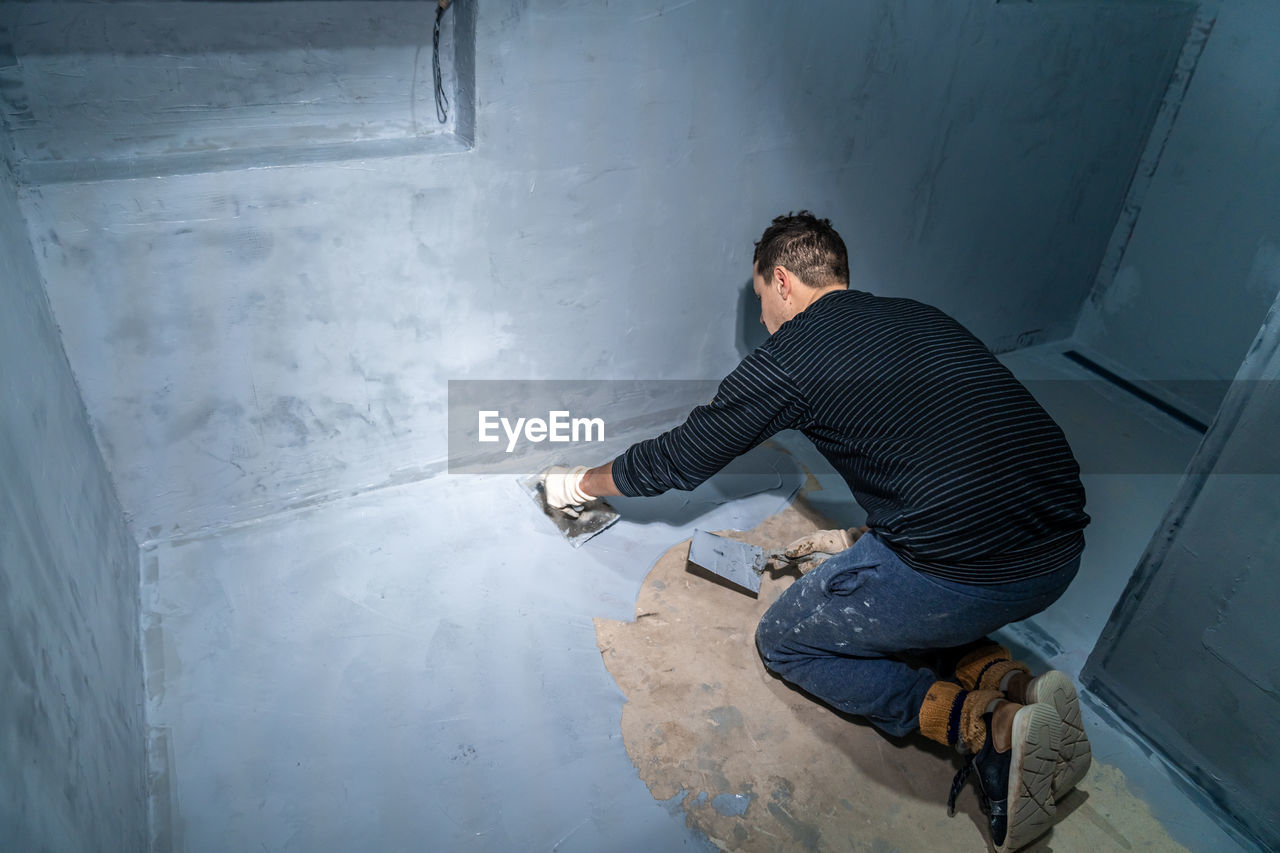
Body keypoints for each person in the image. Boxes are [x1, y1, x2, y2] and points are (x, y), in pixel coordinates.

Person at [541, 211, 1091, 852]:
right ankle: (1018, 685)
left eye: (760, 302)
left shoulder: (792, 355)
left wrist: (579, 484)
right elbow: (957, 442)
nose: (765, 321)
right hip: (1059, 554)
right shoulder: (920, 316)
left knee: (789, 642)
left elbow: (682, 459)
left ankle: (987, 728)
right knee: (904, 589)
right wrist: (875, 533)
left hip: (965, 576)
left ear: (781, 281)